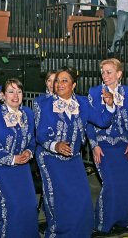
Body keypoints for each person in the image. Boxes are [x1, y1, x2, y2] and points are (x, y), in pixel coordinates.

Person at [34, 67, 115, 238]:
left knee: (82, 199)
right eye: (57, 80)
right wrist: (56, 145)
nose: (59, 84)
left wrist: (109, 105)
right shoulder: (43, 103)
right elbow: (40, 134)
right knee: (59, 199)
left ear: (74, 85)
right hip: (49, 158)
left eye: (64, 80)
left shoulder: (83, 103)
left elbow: (102, 121)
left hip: (74, 158)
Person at [0, 78, 39, 238]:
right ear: (3, 95)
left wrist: (29, 152)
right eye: (11, 92)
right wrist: (11, 159)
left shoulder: (28, 113)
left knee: (30, 205)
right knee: (12, 205)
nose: (15, 96)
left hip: (22, 167)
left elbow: (32, 141)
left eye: (19, 92)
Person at [87, 58, 128, 233]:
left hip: (124, 146)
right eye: (103, 72)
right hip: (103, 146)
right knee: (111, 185)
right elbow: (89, 123)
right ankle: (103, 222)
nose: (104, 75)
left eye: (109, 72)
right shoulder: (94, 92)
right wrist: (94, 145)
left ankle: (123, 218)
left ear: (119, 74)